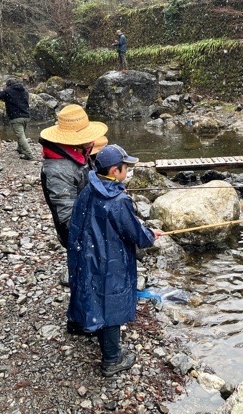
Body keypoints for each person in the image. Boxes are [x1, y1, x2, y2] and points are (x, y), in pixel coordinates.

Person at [67, 144, 162, 377]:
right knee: (110, 302)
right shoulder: (118, 200)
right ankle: (112, 359)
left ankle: (82, 324)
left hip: (85, 254)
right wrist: (150, 235)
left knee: (89, 291)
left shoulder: (89, 188)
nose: (127, 172)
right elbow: (135, 235)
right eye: (125, 168)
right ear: (113, 171)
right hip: (108, 259)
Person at [39, 104, 108, 250]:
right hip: (78, 233)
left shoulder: (78, 153)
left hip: (88, 220)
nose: (93, 140)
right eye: (88, 136)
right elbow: (67, 217)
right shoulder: (58, 169)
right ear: (74, 140)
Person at [0, 78, 33, 160]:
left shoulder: (8, 91)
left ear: (8, 85)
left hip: (16, 117)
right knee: (21, 133)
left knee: (20, 136)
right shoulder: (24, 91)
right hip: (26, 116)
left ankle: (28, 154)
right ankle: (20, 148)